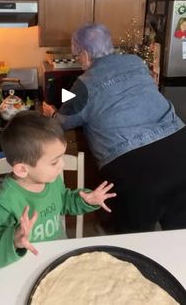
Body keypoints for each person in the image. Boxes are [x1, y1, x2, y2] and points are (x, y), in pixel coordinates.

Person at [43, 22, 186, 234]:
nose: (78, 61)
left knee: (133, 238)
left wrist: (51, 113)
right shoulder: (136, 62)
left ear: (85, 53)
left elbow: (64, 121)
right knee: (179, 234)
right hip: (179, 148)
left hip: (134, 166)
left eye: (77, 56)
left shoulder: (85, 82)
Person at [0, 110, 116, 269]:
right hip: (25, 265)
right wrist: (14, 240)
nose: (62, 165)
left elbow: (65, 201)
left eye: (61, 158)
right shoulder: (4, 202)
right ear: (22, 170)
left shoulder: (51, 181)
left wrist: (86, 200)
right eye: (54, 162)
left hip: (57, 257)